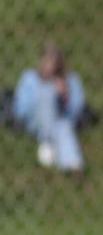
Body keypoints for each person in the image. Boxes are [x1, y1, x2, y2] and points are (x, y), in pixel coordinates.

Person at [12, 43, 86, 174]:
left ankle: (72, 165)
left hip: (61, 122)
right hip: (34, 122)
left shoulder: (70, 80)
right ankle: (47, 140)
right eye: (46, 62)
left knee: (63, 127)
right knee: (45, 94)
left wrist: (65, 96)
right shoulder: (29, 79)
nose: (48, 67)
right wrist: (40, 96)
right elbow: (19, 109)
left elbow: (76, 111)